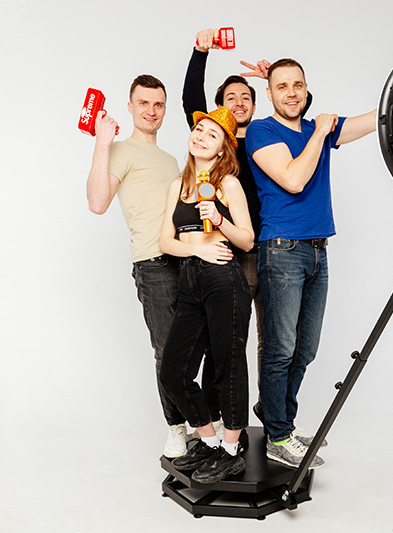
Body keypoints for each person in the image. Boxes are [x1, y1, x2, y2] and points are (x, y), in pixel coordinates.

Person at [246, 58, 393, 469]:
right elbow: (293, 179)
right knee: (281, 349)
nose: (292, 93)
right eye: (282, 86)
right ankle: (278, 435)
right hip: (281, 250)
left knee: (306, 349)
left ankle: (280, 420)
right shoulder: (263, 131)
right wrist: (320, 132)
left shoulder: (318, 128)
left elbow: (378, 118)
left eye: (298, 84)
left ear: (306, 87)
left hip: (318, 250)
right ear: (270, 93)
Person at [181, 29, 313, 418]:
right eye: (230, 98)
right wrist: (200, 52)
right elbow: (191, 100)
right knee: (225, 340)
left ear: (257, 104)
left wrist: (276, 81)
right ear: (218, 106)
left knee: (275, 341)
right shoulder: (215, 145)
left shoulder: (267, 137)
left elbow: (298, 109)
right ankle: (225, 417)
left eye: (246, 97)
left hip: (269, 251)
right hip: (226, 253)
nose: (239, 102)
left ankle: (272, 417)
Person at [85, 74, 189, 458]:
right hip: (153, 264)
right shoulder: (119, 150)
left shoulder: (171, 160)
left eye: (158, 104)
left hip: (185, 258)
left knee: (192, 348)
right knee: (167, 350)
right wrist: (102, 142)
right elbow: (97, 202)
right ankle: (176, 429)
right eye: (143, 103)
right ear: (130, 107)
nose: (151, 110)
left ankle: (200, 425)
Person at [158, 106, 254, 484]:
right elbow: (165, 242)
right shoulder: (177, 186)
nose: (201, 136)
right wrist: (197, 249)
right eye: (199, 129)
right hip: (190, 278)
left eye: (212, 135)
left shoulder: (228, 184)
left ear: (222, 148)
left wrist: (219, 217)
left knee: (227, 366)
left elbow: (246, 239)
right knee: (173, 372)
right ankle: (210, 441)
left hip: (223, 279)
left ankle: (230, 451)